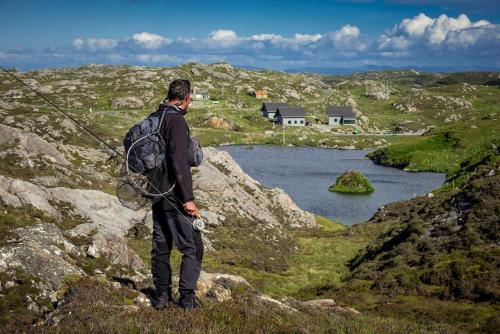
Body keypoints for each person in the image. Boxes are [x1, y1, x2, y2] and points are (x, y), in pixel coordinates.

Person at [151, 79, 203, 310]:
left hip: (154, 192)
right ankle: (186, 299)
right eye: (190, 98)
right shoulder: (177, 122)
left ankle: (161, 298)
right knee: (192, 246)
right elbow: (179, 162)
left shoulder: (155, 117)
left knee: (161, 246)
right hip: (173, 194)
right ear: (186, 98)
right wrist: (188, 199)